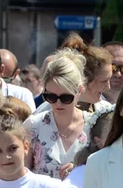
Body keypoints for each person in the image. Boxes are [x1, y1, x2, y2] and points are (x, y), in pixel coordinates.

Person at [25, 52, 88, 180]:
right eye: (51, 97)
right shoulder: (33, 126)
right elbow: (23, 176)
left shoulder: (95, 125)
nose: (58, 103)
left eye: (66, 97)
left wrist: (82, 169)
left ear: (79, 91)